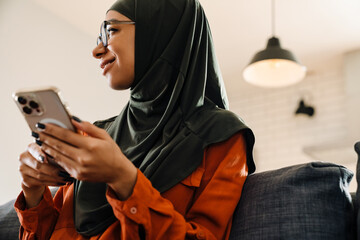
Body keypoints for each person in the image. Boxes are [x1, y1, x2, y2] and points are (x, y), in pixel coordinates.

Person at [14, 0, 255, 239]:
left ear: (160, 34)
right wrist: (33, 191)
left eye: (111, 31)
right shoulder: (95, 137)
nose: (97, 50)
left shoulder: (221, 136)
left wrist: (123, 178)